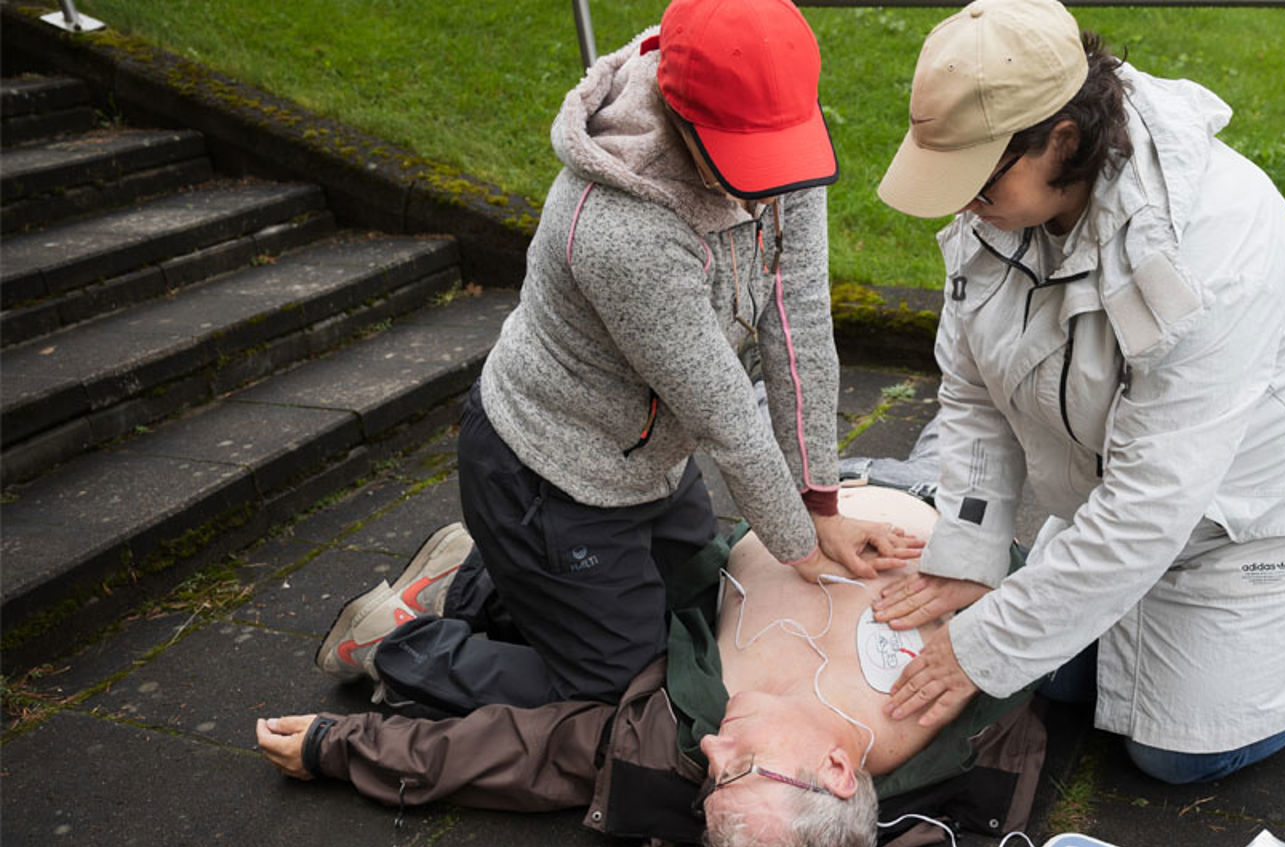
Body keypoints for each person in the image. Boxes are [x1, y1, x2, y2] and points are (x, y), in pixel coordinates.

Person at [869, 0, 1285, 785]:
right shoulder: (998, 210)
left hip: (1271, 503)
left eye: (978, 175)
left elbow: (1152, 502)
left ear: (1061, 139)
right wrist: (969, 552)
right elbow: (972, 394)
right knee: (1055, 682)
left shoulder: (1210, 245)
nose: (962, 199)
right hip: (1138, 495)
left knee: (1171, 754)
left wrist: (984, 645)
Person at [313, 0, 919, 716]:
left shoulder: (776, 131)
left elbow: (799, 319)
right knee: (623, 693)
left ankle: (467, 580)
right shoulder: (618, 230)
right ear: (680, 114)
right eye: (739, 160)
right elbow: (725, 412)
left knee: (701, 609)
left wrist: (819, 498)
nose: (764, 187)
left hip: (649, 461)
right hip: (549, 470)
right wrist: (802, 543)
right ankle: (393, 645)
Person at [260, 487, 1043, 847]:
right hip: (915, 485)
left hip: (652, 604)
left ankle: (400, 636)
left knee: (578, 673)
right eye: (738, 770)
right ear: (838, 773)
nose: (711, 751)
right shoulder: (966, 722)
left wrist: (341, 747)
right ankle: (470, 578)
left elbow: (526, 754)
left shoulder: (674, 747)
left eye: (712, 778)